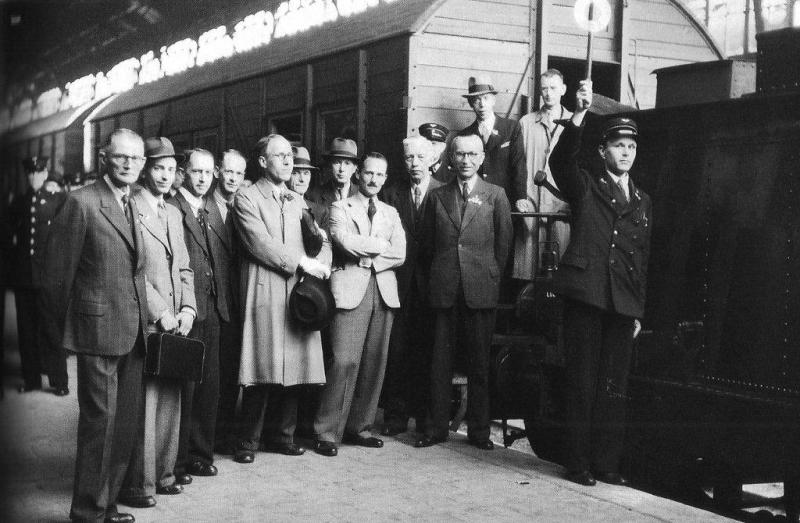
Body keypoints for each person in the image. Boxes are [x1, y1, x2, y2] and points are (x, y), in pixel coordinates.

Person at [41, 128, 148, 523]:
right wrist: (60, 339)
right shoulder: (81, 202)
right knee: (98, 425)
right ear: (105, 158)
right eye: (121, 157)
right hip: (98, 331)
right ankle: (87, 511)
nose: (129, 164)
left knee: (122, 426)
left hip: (134, 331)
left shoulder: (132, 202)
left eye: (136, 159)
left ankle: (107, 504)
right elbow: (56, 277)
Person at [548, 81, 651, 487]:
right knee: (582, 383)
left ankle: (606, 464)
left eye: (632, 147)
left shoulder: (643, 200)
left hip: (622, 304)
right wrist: (579, 114)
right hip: (587, 294)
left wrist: (638, 310)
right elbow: (560, 163)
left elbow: (642, 259)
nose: (626, 152)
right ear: (603, 150)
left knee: (614, 387)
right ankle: (578, 463)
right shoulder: (587, 184)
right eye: (619, 145)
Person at [231, 134, 332, 463]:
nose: (289, 162)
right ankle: (248, 441)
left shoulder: (296, 199)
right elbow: (258, 242)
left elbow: (315, 239)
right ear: (262, 162)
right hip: (265, 288)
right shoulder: (247, 197)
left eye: (290, 156)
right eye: (281, 156)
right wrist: (303, 262)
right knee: (262, 366)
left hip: (296, 290)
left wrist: (322, 257)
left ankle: (282, 435)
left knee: (294, 363)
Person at [415, 133, 513, 451]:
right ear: (451, 159)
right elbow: (427, 246)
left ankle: (480, 432)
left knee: (479, 365)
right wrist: (439, 277)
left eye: (472, 154)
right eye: (460, 155)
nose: (466, 160)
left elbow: (503, 246)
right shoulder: (437, 196)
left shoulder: (496, 196)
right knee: (438, 362)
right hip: (444, 288)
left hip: (480, 289)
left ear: (482, 158)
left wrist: (489, 277)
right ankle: (435, 428)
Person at [118, 137, 196, 509]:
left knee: (170, 399)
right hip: (147, 321)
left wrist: (188, 310)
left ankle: (164, 475)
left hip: (175, 322)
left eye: (170, 169)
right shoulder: (131, 208)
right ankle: (138, 484)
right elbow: (132, 271)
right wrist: (161, 311)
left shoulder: (172, 213)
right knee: (145, 405)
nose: (165, 176)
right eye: (158, 168)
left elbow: (184, 266)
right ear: (145, 169)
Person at [313, 152, 406, 457]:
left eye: (380, 175)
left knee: (374, 361)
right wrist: (381, 247)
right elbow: (342, 240)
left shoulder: (391, 212)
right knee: (343, 361)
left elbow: (401, 252)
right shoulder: (340, 207)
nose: (373, 179)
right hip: (351, 289)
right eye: (368, 173)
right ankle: (327, 432)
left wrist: (370, 258)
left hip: (383, 290)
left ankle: (360, 427)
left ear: (385, 178)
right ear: (358, 174)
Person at [169, 148, 234, 480]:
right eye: (196, 172)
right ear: (184, 172)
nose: (203, 178)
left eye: (208, 173)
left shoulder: (210, 209)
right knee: (184, 388)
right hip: (188, 311)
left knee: (209, 388)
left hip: (214, 308)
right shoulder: (173, 208)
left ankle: (200, 454)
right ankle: (177, 462)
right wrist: (184, 306)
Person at [380, 136, 443, 436]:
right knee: (398, 351)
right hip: (400, 283)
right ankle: (395, 416)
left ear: (431, 158)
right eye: (409, 158)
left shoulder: (445, 192)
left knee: (427, 352)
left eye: (420, 157)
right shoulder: (392, 194)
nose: (415, 163)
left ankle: (425, 419)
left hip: (432, 285)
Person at [9, 155, 68, 395]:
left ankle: (59, 381)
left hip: (47, 278)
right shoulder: (20, 203)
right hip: (24, 278)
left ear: (45, 175)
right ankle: (31, 379)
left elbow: (65, 238)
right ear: (27, 175)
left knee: (51, 331)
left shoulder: (57, 201)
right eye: (30, 173)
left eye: (39, 172)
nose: (34, 177)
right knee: (26, 331)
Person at [514, 69, 573, 280]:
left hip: (561, 207)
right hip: (533, 206)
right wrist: (522, 197)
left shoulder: (574, 123)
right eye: (544, 89)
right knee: (529, 272)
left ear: (563, 90)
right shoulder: (525, 123)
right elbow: (518, 165)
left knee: (560, 272)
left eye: (553, 88)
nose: (548, 93)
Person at [211, 149, 247, 455]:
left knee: (233, 368)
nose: (233, 178)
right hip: (214, 300)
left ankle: (224, 434)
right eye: (229, 172)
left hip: (239, 298)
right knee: (214, 373)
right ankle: (211, 435)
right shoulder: (205, 208)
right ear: (217, 173)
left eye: (239, 173)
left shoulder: (244, 207)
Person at [458, 75, 529, 212]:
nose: (482, 104)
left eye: (486, 98)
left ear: (493, 100)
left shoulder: (511, 128)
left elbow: (518, 164)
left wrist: (521, 197)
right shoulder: (465, 135)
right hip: (475, 203)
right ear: (471, 103)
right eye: (477, 99)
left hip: (505, 201)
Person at [306, 138, 359, 208]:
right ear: (330, 165)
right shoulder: (314, 195)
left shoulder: (361, 194)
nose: (341, 169)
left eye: (347, 163)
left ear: (354, 168)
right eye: (337, 162)